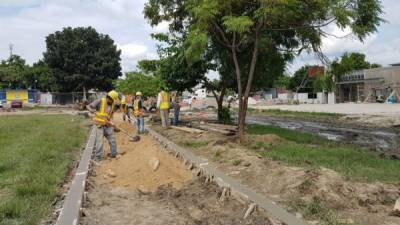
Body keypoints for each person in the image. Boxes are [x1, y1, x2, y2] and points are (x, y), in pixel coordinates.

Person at [87, 90, 120, 161]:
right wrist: (91, 110)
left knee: (112, 139)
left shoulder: (114, 104)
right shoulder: (100, 101)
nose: (112, 102)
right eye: (112, 100)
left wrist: (113, 124)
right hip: (99, 125)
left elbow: (111, 115)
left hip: (108, 125)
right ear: (108, 98)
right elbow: (88, 106)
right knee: (99, 142)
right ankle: (97, 158)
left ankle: (113, 154)